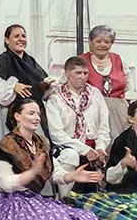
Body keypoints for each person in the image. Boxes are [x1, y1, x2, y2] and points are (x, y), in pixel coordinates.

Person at [46, 56, 111, 197]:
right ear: (67, 73)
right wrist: (85, 150)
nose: (82, 77)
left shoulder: (95, 94)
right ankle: (65, 199)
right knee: (71, 156)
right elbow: (57, 134)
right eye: (78, 73)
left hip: (93, 147)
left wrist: (101, 147)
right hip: (67, 148)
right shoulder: (56, 98)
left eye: (85, 73)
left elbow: (104, 126)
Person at [0, 24, 56, 143]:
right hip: (10, 114)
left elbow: (39, 83)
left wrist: (45, 86)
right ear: (7, 40)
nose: (21, 39)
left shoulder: (30, 61)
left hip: (33, 113)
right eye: (16, 36)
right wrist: (13, 86)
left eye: (23, 36)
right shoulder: (0, 62)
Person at [80, 25, 131, 138]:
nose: (102, 45)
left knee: (119, 141)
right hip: (92, 109)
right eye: (98, 41)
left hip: (118, 111)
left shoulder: (119, 60)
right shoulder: (81, 60)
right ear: (90, 42)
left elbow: (127, 84)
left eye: (107, 42)